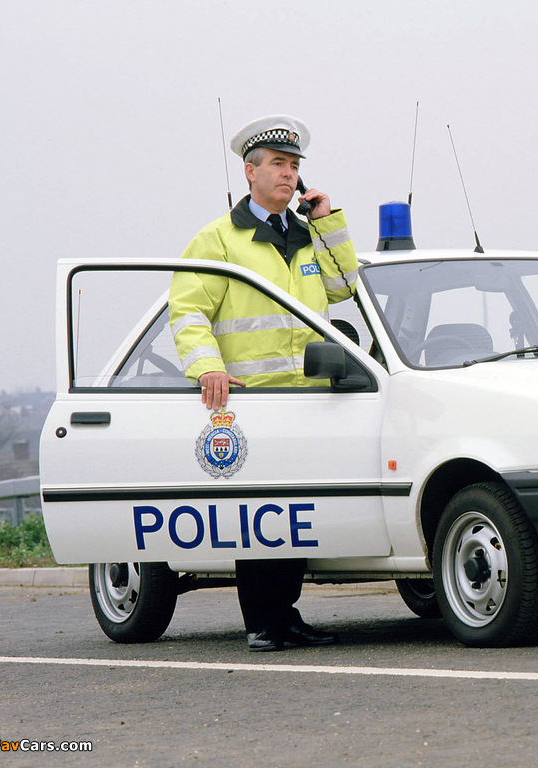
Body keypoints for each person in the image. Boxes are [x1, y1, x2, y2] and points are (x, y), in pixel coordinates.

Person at [168, 115, 358, 652]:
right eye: (278, 163)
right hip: (254, 398)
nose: (288, 173)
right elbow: (188, 311)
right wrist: (208, 367)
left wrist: (327, 222)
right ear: (250, 172)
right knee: (261, 516)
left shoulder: (306, 235)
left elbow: (344, 287)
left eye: (294, 165)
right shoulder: (218, 239)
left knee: (294, 515)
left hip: (311, 398)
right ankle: (262, 623)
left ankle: (285, 615)